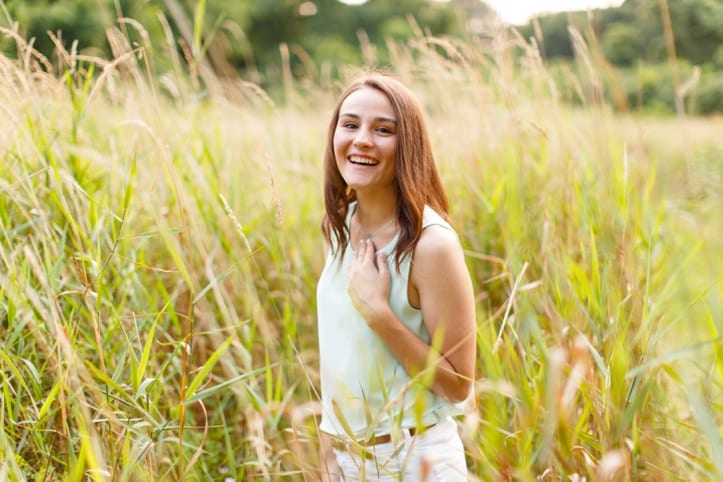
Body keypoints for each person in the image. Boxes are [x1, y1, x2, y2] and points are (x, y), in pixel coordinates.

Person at [315, 71, 477, 482]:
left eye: (382, 129)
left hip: (417, 460)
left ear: (408, 146)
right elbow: (341, 355)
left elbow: (459, 385)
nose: (362, 139)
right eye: (350, 124)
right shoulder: (340, 225)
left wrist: (380, 315)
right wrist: (329, 449)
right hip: (347, 461)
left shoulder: (431, 244)